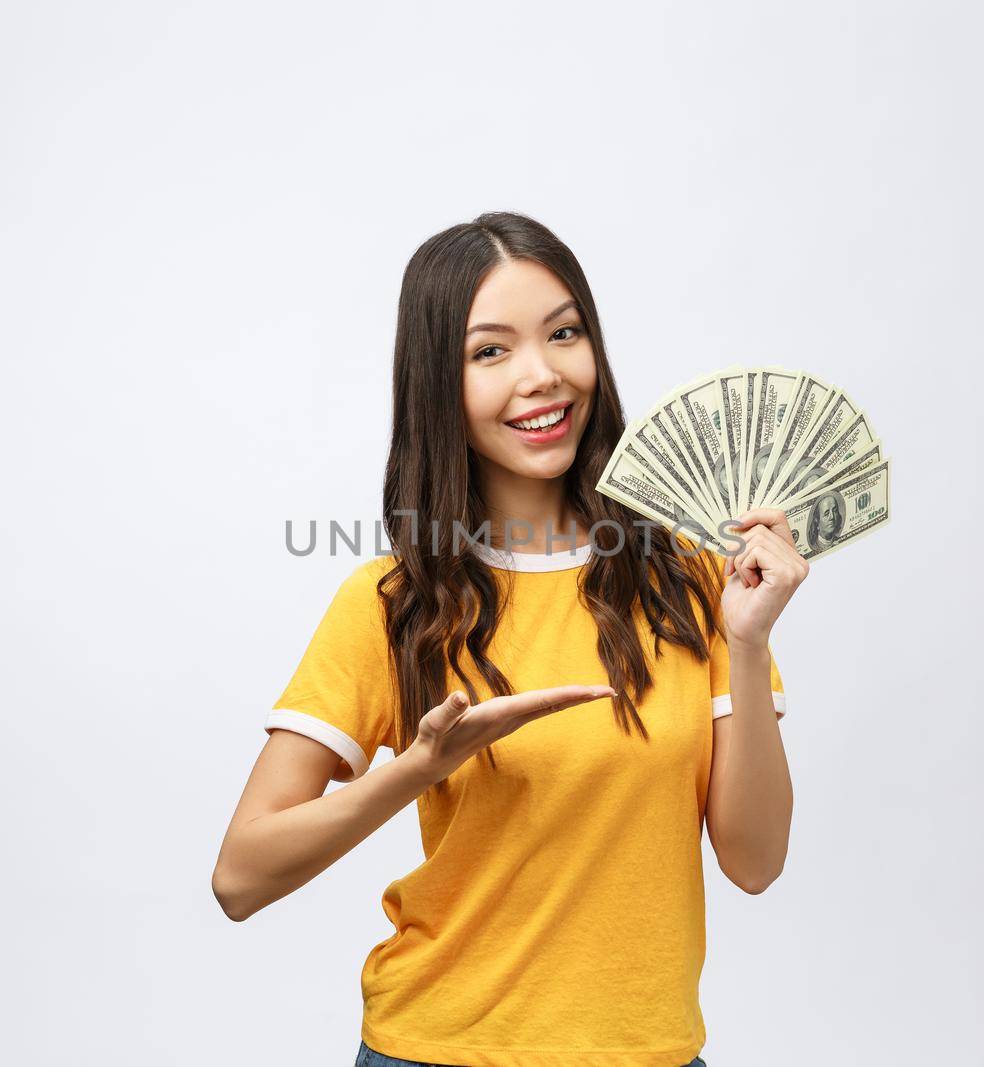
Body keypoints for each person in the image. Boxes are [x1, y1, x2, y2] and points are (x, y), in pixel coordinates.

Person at [212, 211, 808, 1067]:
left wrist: (746, 644)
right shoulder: (393, 603)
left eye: (564, 333)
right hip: (436, 1050)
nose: (543, 375)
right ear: (438, 385)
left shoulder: (691, 581)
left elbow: (755, 861)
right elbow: (239, 878)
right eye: (490, 351)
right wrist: (419, 768)